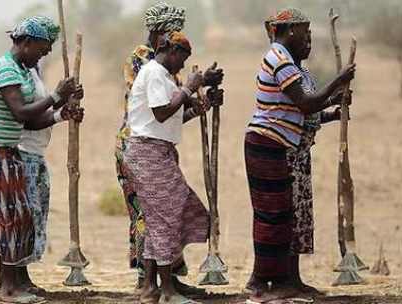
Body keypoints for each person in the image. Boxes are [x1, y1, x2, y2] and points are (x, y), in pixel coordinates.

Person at [0, 16, 82, 304]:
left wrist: (60, 111)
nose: (46, 53)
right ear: (26, 42)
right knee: (10, 217)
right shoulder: (6, 68)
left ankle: (17, 282)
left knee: (21, 217)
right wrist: (57, 94)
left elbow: (29, 122)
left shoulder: (19, 68)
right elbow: (21, 112)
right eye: (43, 48)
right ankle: (7, 289)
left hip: (6, 148)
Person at [244, 8, 356, 303]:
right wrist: (337, 81)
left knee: (294, 216)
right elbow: (305, 104)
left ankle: (291, 280)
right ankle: (266, 280)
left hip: (290, 147)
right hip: (270, 145)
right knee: (275, 216)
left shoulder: (295, 67)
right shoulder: (279, 59)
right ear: (290, 31)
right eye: (305, 34)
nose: (309, 41)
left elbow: (306, 112)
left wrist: (334, 106)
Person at [115, 1, 222, 294]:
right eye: (172, 32)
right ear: (161, 35)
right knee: (154, 216)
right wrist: (188, 89)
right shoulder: (147, 64)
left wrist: (201, 98)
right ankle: (152, 283)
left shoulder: (166, 69)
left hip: (158, 143)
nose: (174, 36)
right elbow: (159, 109)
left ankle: (160, 282)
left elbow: (173, 113)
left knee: (163, 214)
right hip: (140, 144)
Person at [18, 61, 84, 294]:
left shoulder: (33, 73)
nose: (45, 53)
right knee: (24, 220)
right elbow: (28, 118)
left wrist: (65, 104)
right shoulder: (19, 74)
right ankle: (16, 281)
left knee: (36, 218)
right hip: (23, 152)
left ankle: (22, 279)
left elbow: (42, 109)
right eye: (42, 47)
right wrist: (60, 106)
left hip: (36, 153)